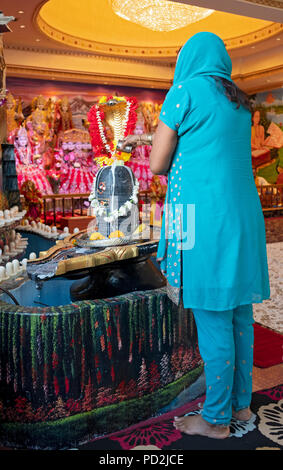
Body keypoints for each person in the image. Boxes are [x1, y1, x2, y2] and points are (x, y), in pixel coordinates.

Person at [121, 32, 270, 439]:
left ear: (188, 59)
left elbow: (156, 162)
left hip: (198, 220)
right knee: (239, 313)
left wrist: (150, 145)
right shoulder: (239, 100)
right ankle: (240, 403)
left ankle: (216, 420)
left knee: (212, 316)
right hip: (242, 217)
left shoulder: (183, 91)